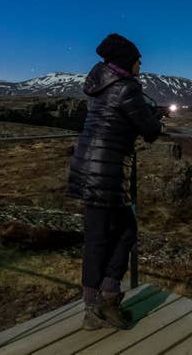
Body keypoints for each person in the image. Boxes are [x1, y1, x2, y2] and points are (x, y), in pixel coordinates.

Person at [66, 33, 166, 330]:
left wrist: (147, 112)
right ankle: (101, 306)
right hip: (105, 172)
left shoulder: (102, 85)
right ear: (127, 61)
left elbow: (117, 117)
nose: (140, 64)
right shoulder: (126, 89)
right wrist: (157, 119)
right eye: (138, 60)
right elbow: (148, 131)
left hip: (88, 167)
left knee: (100, 238)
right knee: (121, 233)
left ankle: (98, 305)